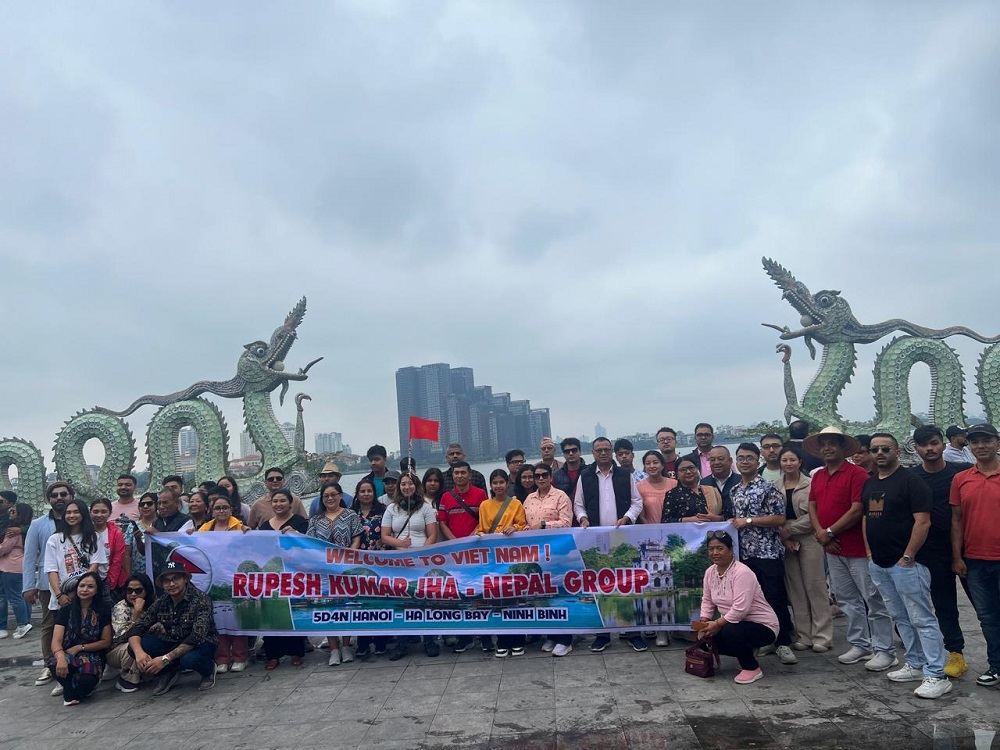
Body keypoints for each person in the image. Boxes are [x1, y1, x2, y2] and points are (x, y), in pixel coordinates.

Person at [861, 432, 951, 699]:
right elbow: (867, 519)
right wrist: (869, 553)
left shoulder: (912, 482)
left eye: (885, 449)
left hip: (908, 565)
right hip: (879, 564)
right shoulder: (870, 483)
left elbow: (923, 522)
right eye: (875, 449)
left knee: (922, 619)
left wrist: (908, 556)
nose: (880, 453)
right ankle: (915, 663)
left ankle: (937, 674)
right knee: (900, 617)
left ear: (898, 452)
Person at [805, 426, 896, 671]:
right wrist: (821, 533)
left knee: (873, 599)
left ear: (842, 447)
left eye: (832, 443)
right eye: (823, 444)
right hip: (833, 550)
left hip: (858, 549)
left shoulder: (857, 474)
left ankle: (885, 649)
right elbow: (812, 505)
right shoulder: (819, 476)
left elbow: (857, 509)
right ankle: (860, 644)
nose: (827, 448)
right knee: (847, 600)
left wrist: (829, 532)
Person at [911, 425, 974, 678]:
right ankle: (956, 655)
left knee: (985, 604)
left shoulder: (963, 472)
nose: (930, 449)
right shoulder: (912, 478)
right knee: (944, 606)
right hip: (932, 552)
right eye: (924, 445)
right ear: (915, 448)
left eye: (934, 443)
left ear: (943, 444)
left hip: (968, 549)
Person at [574, 437, 645, 653]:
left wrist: (627, 518)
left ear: (612, 451)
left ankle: (633, 633)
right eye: (599, 450)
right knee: (599, 586)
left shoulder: (624, 474)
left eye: (606, 449)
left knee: (627, 584)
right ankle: (602, 635)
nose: (603, 453)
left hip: (623, 536)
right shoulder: (585, 475)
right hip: (596, 538)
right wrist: (583, 519)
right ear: (593, 453)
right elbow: (578, 505)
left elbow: (637, 502)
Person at [730, 443, 796, 665]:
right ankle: (767, 637)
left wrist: (748, 521)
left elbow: (779, 518)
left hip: (767, 552)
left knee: (775, 597)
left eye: (749, 458)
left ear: (757, 460)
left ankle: (784, 642)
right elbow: (736, 521)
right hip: (744, 554)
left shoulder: (768, 487)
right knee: (754, 600)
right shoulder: (735, 490)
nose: (745, 462)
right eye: (741, 458)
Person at [949, 423, 1000, 687]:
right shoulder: (961, 479)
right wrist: (957, 557)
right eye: (975, 442)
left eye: (986, 440)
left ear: (997, 443)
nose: (980, 446)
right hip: (976, 560)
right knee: (988, 617)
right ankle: (997, 666)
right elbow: (956, 520)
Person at [697, 530, 780, 685]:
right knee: (704, 638)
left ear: (730, 550)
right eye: (711, 549)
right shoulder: (710, 572)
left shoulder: (742, 572)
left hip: (763, 625)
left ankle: (752, 668)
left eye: (720, 548)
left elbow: (740, 609)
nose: (715, 553)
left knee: (730, 631)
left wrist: (717, 624)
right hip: (734, 623)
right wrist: (704, 623)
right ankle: (746, 651)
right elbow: (707, 600)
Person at [126, 560, 219, 696]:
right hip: (172, 640)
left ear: (185, 579)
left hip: (199, 644)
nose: (171, 584)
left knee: (188, 659)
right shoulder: (161, 601)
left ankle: (208, 670)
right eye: (167, 580)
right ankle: (169, 671)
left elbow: (196, 637)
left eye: (176, 578)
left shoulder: (201, 599)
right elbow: (137, 627)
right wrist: (139, 653)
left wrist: (165, 659)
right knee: (134, 648)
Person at [777, 447, 832, 653]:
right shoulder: (775, 486)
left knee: (815, 587)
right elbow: (772, 514)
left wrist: (790, 530)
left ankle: (822, 636)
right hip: (785, 542)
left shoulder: (811, 484)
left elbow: (815, 515)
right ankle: (804, 635)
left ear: (800, 461)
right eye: (785, 460)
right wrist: (784, 536)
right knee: (796, 589)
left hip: (810, 538)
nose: (788, 464)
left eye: (792, 459)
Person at [382, 473, 440, 660]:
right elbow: (385, 536)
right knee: (402, 602)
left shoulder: (425, 507)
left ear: (416, 486)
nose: (407, 487)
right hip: (399, 561)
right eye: (403, 484)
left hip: (421, 560)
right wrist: (401, 544)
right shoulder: (391, 509)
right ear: (399, 487)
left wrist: (421, 553)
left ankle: (429, 640)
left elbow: (432, 534)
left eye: (410, 484)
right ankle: (402, 643)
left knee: (425, 600)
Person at [192, 490, 249, 671]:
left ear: (231, 509)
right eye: (218, 508)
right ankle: (222, 658)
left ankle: (240, 656)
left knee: (237, 617)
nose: (221, 511)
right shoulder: (204, 530)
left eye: (225, 507)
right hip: (213, 579)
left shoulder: (240, 528)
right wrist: (189, 535)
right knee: (216, 618)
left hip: (234, 578)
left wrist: (249, 535)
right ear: (212, 510)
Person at [307, 481, 362, 665]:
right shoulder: (315, 520)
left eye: (333, 495)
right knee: (328, 608)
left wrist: (347, 557)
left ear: (340, 496)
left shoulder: (351, 515)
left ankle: (346, 645)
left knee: (346, 606)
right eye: (326, 496)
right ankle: (334, 649)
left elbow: (356, 538)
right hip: (324, 571)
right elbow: (310, 544)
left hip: (346, 569)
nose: (330, 498)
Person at [523, 464, 573, 655]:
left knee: (558, 594)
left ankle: (566, 639)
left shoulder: (561, 496)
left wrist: (544, 524)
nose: (541, 478)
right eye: (537, 476)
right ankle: (552, 635)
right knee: (543, 593)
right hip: (537, 553)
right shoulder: (529, 498)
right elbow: (526, 523)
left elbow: (566, 523)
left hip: (557, 551)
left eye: (544, 475)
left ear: (551, 476)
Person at [254, 489, 308, 669]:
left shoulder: (300, 522)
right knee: (271, 613)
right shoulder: (264, 527)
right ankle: (273, 655)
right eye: (275, 501)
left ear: (291, 503)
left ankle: (296, 652)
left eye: (282, 501)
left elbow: (308, 545)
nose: (278, 504)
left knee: (293, 611)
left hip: (293, 574)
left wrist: (296, 534)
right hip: (271, 574)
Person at [477, 470, 528, 658]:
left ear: (507, 483)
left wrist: (514, 528)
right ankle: (502, 641)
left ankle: (518, 640)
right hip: (493, 557)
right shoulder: (484, 505)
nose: (498, 486)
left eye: (501, 482)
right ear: (491, 485)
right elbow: (482, 528)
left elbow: (522, 525)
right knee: (497, 598)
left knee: (514, 597)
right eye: (495, 483)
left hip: (512, 556)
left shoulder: (516, 504)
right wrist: (480, 536)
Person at [22, 481, 69, 686]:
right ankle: (49, 664)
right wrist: (28, 585)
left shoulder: (79, 519)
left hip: (75, 581)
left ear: (70, 496)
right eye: (54, 495)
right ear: (49, 499)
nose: (59, 498)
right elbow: (30, 556)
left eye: (63, 494)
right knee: (49, 624)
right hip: (47, 582)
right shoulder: (38, 524)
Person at [49, 571, 112, 705]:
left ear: (97, 590)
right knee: (55, 665)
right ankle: (71, 688)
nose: (85, 589)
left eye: (90, 586)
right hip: (68, 653)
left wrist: (80, 647)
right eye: (82, 586)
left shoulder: (103, 610)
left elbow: (106, 642)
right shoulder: (65, 611)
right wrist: (61, 657)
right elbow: (56, 641)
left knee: (86, 683)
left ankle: (78, 687)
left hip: (92, 655)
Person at [45, 499, 106, 618]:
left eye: (76, 512)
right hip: (62, 596)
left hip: (86, 595)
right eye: (68, 513)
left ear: (83, 514)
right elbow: (51, 570)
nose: (72, 515)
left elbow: (94, 566)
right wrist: (59, 595)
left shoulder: (93, 537)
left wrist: (78, 590)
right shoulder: (54, 539)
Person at [351, 478, 388, 658]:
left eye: (369, 491)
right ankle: (363, 642)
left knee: (380, 601)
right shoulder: (351, 513)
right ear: (357, 494)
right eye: (362, 491)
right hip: (358, 563)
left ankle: (381, 642)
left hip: (381, 562)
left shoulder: (383, 511)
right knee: (361, 603)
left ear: (374, 493)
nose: (366, 494)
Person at [107, 574, 155, 692]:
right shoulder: (120, 607)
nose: (133, 594)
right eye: (129, 591)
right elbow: (123, 636)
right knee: (133, 646)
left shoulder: (154, 604)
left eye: (138, 591)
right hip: (118, 648)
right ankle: (126, 679)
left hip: (145, 643)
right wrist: (136, 614)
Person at [1, 503, 33, 639]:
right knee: (23, 595)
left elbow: (3, 548)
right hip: (22, 566)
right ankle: (26, 622)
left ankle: (22, 624)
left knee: (14, 597)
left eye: (13, 512)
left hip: (10, 567)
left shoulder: (13, 532)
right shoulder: (27, 531)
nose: (10, 513)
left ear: (20, 514)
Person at [662, 457, 723, 523]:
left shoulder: (712, 490)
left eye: (691, 468)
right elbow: (665, 521)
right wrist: (685, 520)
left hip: (712, 529)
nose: (688, 472)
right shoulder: (672, 495)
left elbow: (726, 514)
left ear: (697, 469)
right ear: (677, 474)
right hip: (685, 529)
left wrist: (717, 518)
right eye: (683, 470)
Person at [89, 497, 128, 597]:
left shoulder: (116, 533)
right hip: (85, 581)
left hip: (107, 581)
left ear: (110, 513)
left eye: (103, 512)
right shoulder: (85, 532)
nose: (99, 515)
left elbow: (117, 560)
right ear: (90, 512)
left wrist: (110, 583)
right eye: (96, 511)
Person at [636, 450, 678, 525]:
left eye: (655, 462)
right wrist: (653, 529)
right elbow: (642, 516)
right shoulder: (639, 487)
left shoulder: (674, 484)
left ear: (662, 465)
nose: (652, 466)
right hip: (651, 529)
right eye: (648, 463)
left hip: (674, 528)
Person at [123, 493, 159, 576]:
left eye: (149, 504)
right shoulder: (132, 526)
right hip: (138, 574)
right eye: (142, 504)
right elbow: (127, 554)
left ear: (156, 505)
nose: (145, 507)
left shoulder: (162, 524)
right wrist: (129, 576)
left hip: (159, 573)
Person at [702, 446, 738, 518]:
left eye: (720, 459)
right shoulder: (703, 484)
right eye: (712, 460)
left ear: (730, 461)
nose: (716, 462)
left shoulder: (741, 481)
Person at [553, 438, 586, 503]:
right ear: (563, 454)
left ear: (580, 452)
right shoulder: (556, 476)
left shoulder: (590, 472)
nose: (571, 453)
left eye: (574, 450)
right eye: (567, 451)